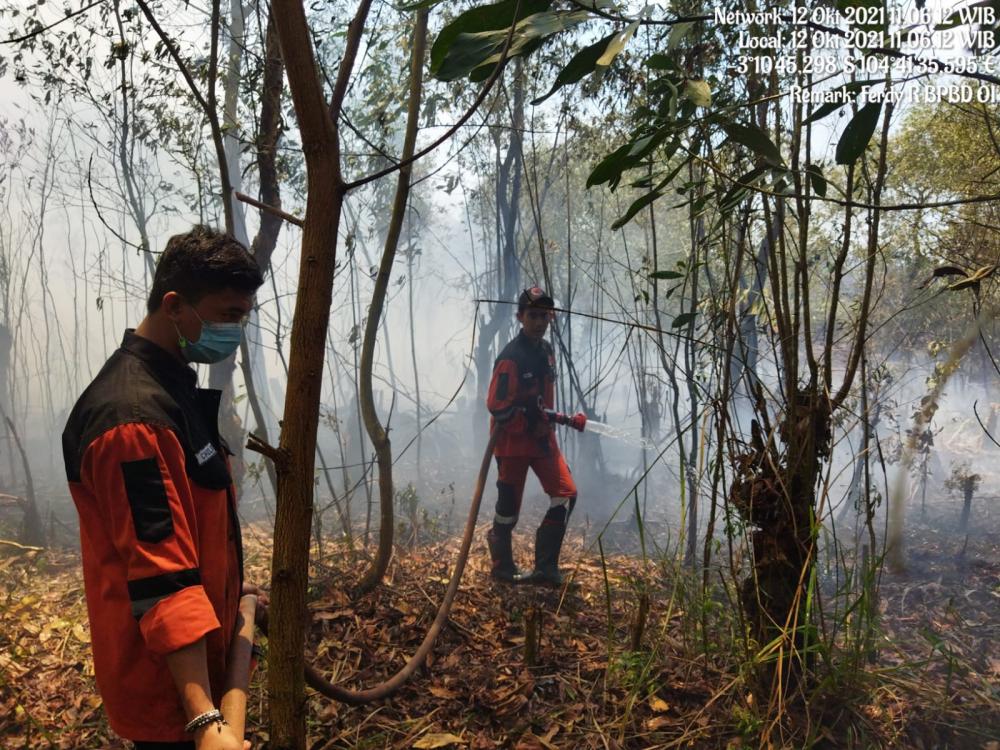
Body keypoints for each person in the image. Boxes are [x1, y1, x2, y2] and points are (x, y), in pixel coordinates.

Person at [62, 226, 265, 750]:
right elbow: (162, 575)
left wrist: (235, 596)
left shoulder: (174, 387)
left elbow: (198, 528)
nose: (234, 332)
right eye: (227, 316)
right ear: (174, 305)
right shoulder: (132, 422)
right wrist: (202, 719)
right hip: (167, 694)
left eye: (242, 317)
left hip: (202, 667)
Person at [485, 286, 586, 586]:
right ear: (520, 317)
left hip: (543, 442)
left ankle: (545, 569)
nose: (539, 322)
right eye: (533, 316)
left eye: (544, 316)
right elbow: (496, 406)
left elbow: (545, 400)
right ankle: (502, 568)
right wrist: (527, 421)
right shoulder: (510, 358)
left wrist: (551, 420)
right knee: (507, 513)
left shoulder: (547, 351)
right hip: (512, 444)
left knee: (566, 495)